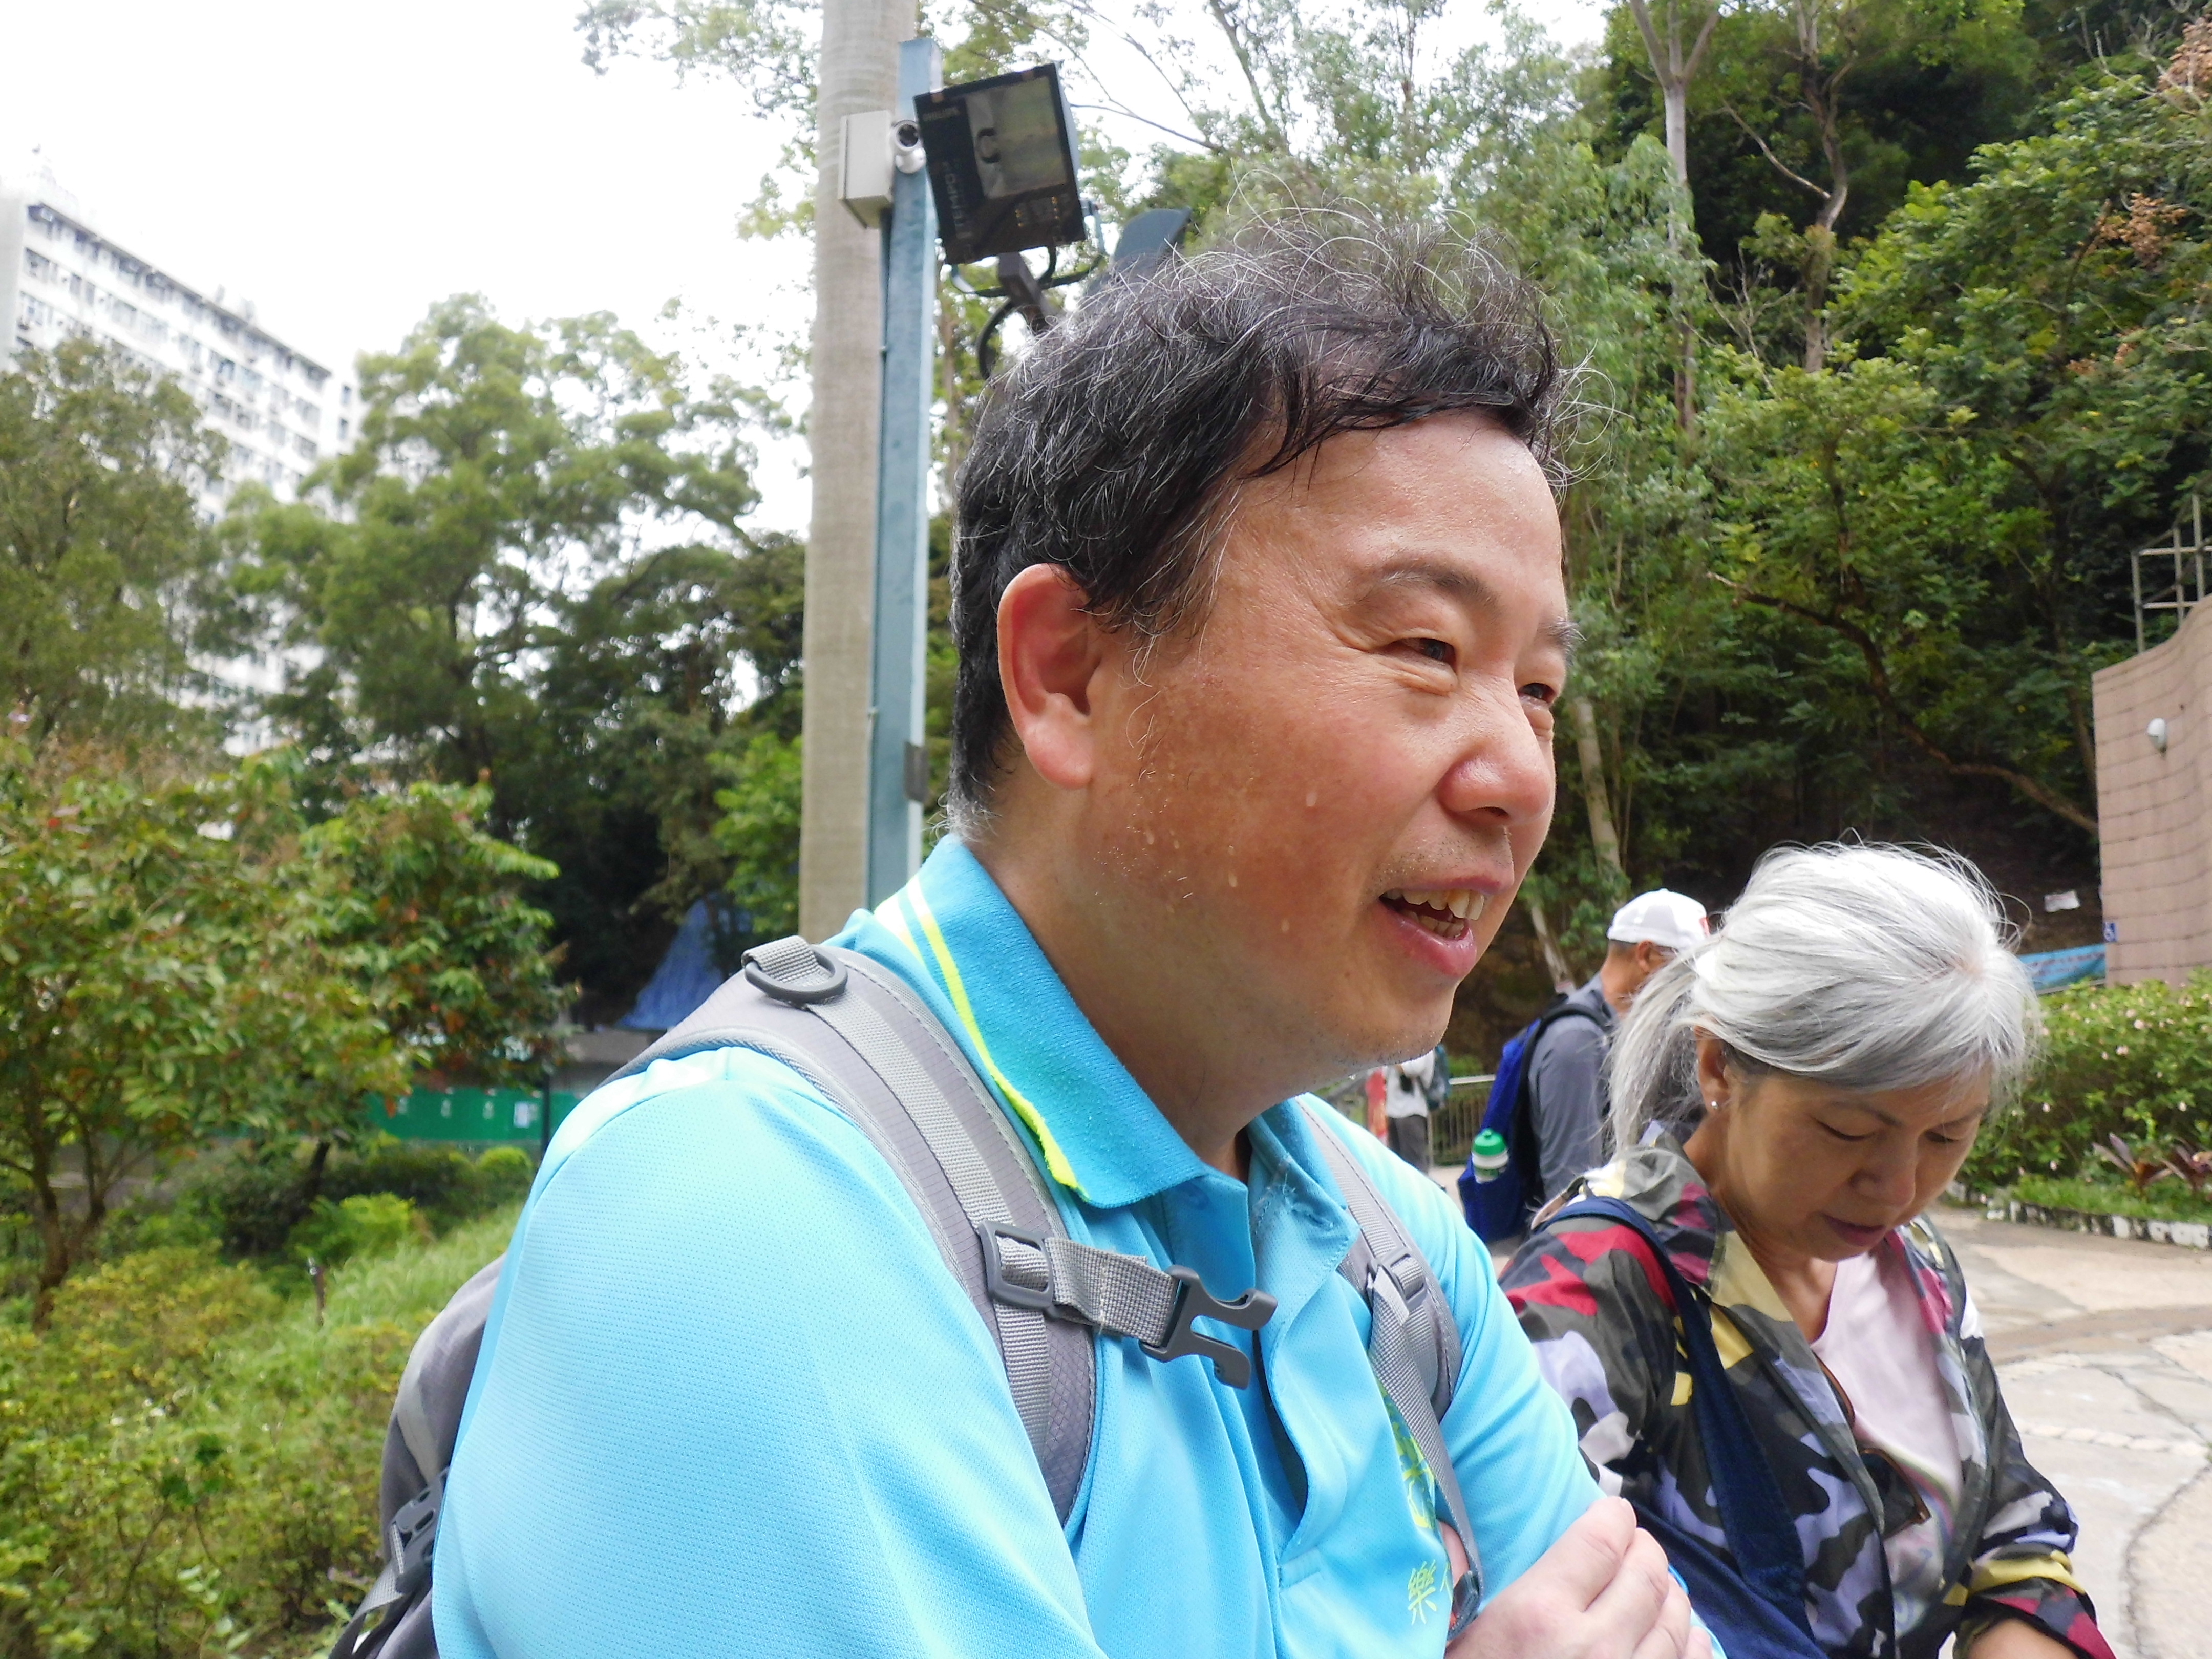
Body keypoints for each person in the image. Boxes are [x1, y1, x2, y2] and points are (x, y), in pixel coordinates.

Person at [432, 219, 1707, 1659]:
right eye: (1427, 649)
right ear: (1070, 674)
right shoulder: (746, 1214)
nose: (1521, 775)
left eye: (1537, 690)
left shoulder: (1392, 1250)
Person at [1500, 845, 2114, 1659]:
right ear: (1719, 1065)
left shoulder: (1917, 1265)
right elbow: (1541, 1607)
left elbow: (2013, 1529)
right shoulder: (1591, 1292)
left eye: (1946, 1136)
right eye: (1848, 1130)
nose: (1897, 1188)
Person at [1523, 889, 1707, 1204]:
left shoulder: (1623, 1033)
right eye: (1685, 971)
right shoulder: (1577, 1042)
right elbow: (1569, 1190)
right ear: (1646, 956)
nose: (1693, 987)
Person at [1384, 1047, 1440, 1170]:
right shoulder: (1397, 1048)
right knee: (1396, 1162)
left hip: (1412, 1111)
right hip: (1393, 1111)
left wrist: (1389, 1055)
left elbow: (1411, 1069)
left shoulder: (1423, 1046)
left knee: (1414, 1162)